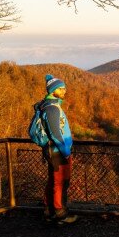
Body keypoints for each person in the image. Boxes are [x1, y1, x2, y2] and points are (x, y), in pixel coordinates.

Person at [35, 74, 77, 225]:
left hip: (52, 150)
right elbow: (55, 133)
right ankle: (60, 214)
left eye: (64, 88)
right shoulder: (52, 109)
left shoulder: (48, 106)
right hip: (58, 152)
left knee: (53, 181)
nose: (64, 91)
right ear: (53, 91)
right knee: (61, 182)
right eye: (61, 89)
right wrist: (66, 152)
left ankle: (49, 211)